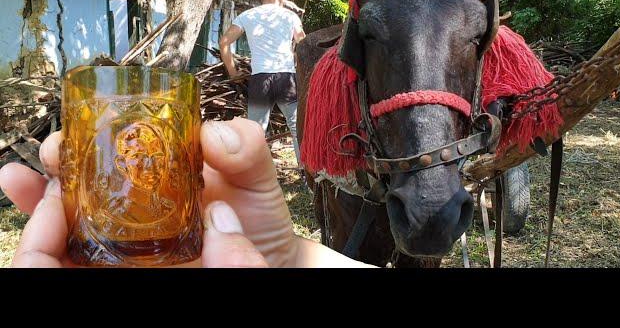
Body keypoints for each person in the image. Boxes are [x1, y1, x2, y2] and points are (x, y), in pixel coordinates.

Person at [0, 118, 373, 268]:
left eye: (158, 156)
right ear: (120, 163)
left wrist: (286, 258)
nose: (151, 167)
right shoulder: (104, 210)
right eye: (138, 158)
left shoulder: (173, 208)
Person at [219, 0, 305, 166]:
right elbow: (303, 43)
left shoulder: (246, 16)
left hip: (260, 80)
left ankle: (253, 181)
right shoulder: (290, 16)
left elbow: (224, 42)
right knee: (297, 128)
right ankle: (307, 177)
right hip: (286, 78)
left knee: (255, 133)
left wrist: (233, 73)